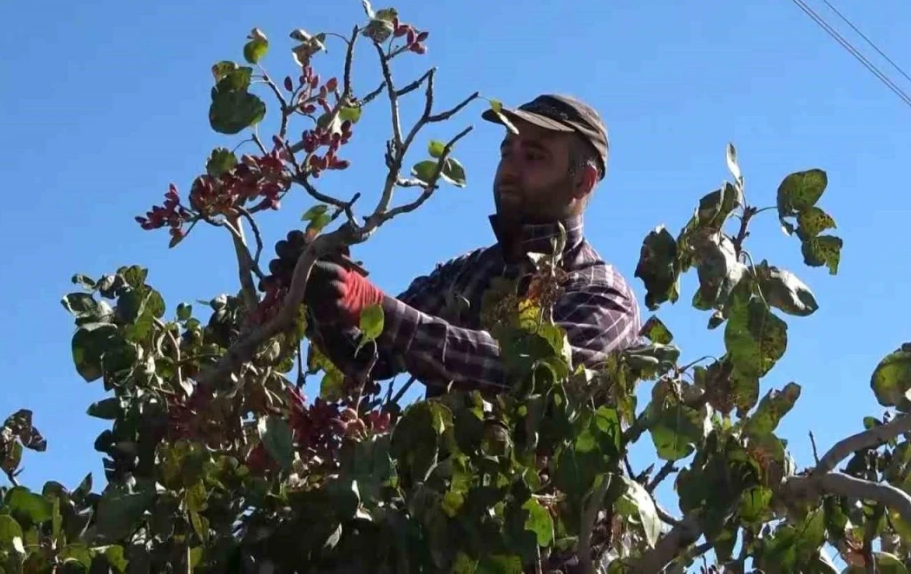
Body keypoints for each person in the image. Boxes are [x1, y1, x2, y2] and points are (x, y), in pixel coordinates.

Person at [267, 93, 642, 396]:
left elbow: (527, 376)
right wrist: (322, 297)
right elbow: (371, 357)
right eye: (506, 152)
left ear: (584, 182)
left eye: (533, 157)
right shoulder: (466, 271)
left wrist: (370, 303)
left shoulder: (602, 293)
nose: (509, 169)